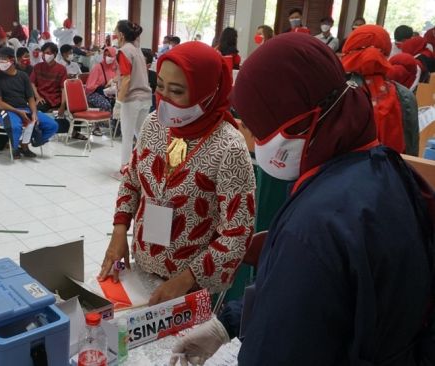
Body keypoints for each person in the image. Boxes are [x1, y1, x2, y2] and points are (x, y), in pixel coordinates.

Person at [171, 32, 435, 366]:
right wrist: (229, 323)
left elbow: (285, 346)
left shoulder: (316, 223)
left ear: (297, 120)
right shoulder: (384, 166)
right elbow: (306, 296)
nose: (251, 137)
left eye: (256, 124)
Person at [99, 41, 255, 306]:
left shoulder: (229, 146)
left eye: (177, 91)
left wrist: (186, 279)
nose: (164, 99)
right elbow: (132, 181)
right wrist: (118, 232)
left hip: (193, 283)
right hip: (145, 265)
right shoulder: (154, 125)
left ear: (207, 93)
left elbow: (238, 231)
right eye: (160, 86)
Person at [342, 25, 419, 156]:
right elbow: (411, 146)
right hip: (389, 169)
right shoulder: (405, 94)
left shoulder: (338, 89)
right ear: (386, 53)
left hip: (341, 170)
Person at [0, 47, 58, 158]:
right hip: (6, 110)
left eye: (3, 58)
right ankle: (16, 148)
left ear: (12, 60)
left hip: (24, 108)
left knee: (52, 125)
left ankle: (29, 143)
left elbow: (31, 98)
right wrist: (17, 111)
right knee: (16, 127)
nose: (0, 61)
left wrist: (34, 113)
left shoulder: (23, 76)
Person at [112, 20, 152, 174]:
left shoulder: (124, 51)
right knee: (141, 135)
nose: (115, 34)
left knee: (127, 135)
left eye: (116, 31)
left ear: (121, 34)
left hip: (132, 99)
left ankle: (125, 166)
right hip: (145, 97)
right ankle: (144, 165)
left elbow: (127, 78)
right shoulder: (137, 50)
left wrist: (118, 102)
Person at [86, 46, 117, 112]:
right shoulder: (98, 68)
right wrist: (105, 87)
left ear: (114, 56)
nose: (107, 57)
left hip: (110, 93)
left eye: (109, 55)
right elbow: (89, 87)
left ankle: (115, 122)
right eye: (105, 55)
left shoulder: (115, 68)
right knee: (106, 105)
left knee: (120, 103)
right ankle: (105, 122)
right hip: (94, 93)